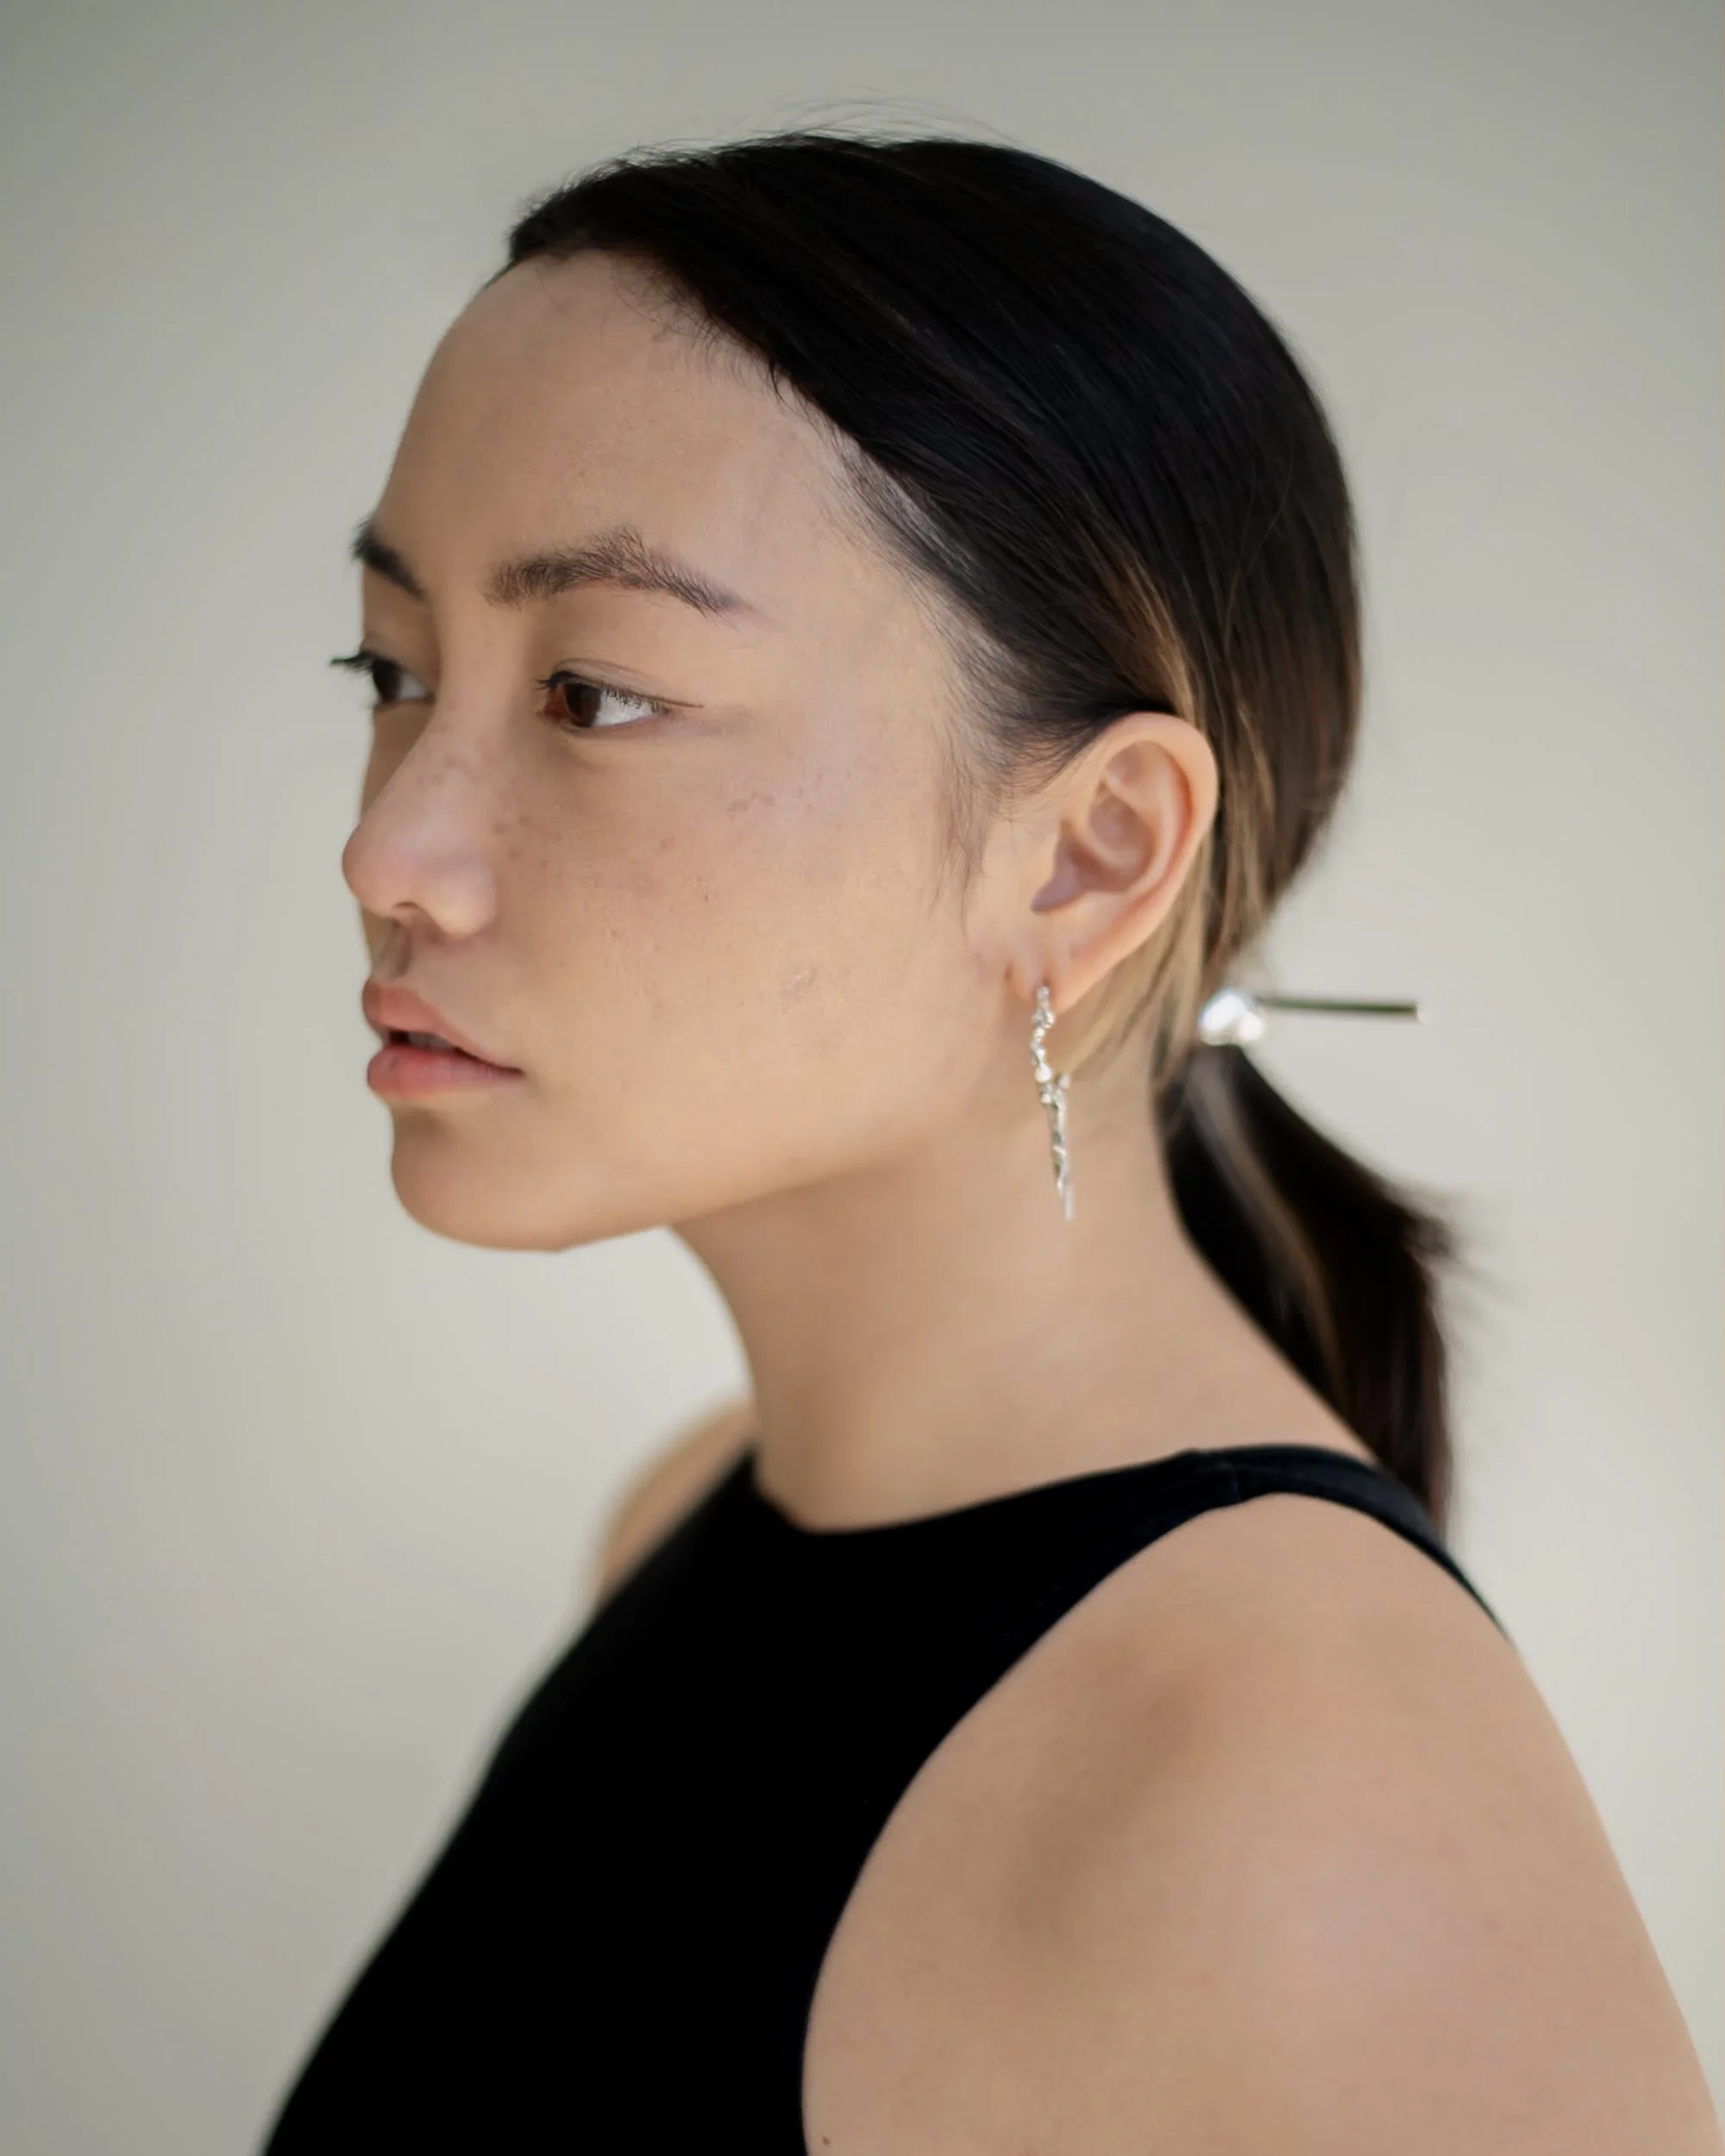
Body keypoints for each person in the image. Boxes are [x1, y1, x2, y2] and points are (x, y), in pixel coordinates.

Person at [261, 130, 1721, 2153]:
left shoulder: (1287, 1791)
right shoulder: (696, 1516)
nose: (387, 846)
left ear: (1090, 852)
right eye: (389, 667)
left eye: (592, 693)